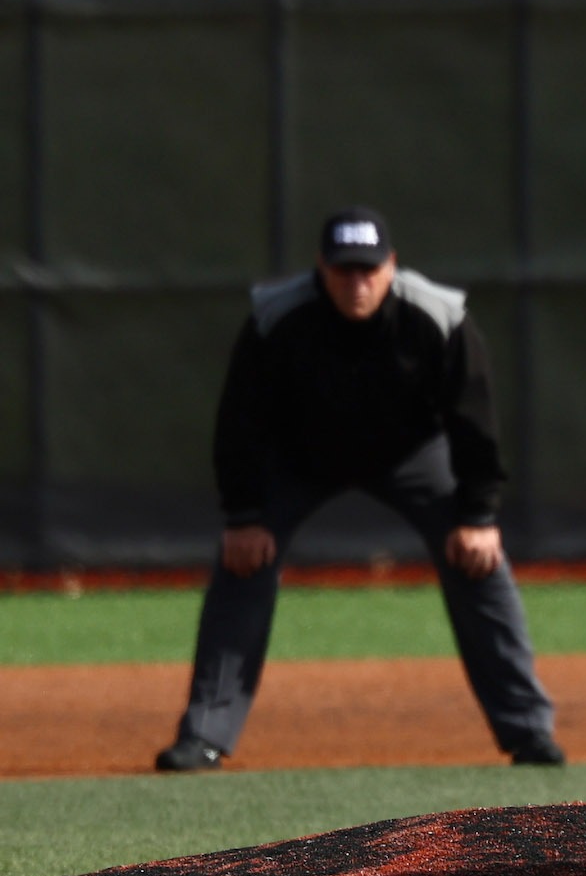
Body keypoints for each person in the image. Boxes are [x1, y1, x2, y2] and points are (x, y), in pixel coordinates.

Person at [154, 206, 564, 772]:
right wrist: (244, 514)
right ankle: (204, 734)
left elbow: (473, 421)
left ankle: (529, 733)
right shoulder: (278, 317)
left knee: (477, 559)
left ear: (391, 265)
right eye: (344, 270)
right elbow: (241, 421)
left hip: (412, 454)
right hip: (299, 458)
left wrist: (478, 514)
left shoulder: (436, 316)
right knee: (243, 560)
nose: (357, 282)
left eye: (369, 269)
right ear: (321, 269)